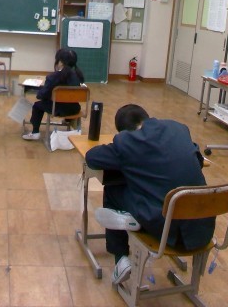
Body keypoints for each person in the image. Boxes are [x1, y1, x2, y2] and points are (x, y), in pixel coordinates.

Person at [85, 104, 212, 285]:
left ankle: (121, 258)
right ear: (147, 117)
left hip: (164, 230)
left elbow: (92, 158)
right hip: (202, 228)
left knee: (113, 187)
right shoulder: (178, 129)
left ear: (123, 131)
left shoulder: (127, 142)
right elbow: (197, 161)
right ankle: (133, 219)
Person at [22, 48, 85, 140]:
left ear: (61, 62)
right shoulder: (78, 76)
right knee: (66, 102)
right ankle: (68, 122)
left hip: (57, 109)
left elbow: (41, 95)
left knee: (37, 105)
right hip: (74, 109)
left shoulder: (53, 77)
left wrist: (39, 92)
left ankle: (35, 132)